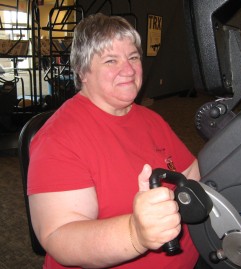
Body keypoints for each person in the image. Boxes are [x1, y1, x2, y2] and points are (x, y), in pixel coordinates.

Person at [28, 13, 201, 269]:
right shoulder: (58, 138)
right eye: (112, 60)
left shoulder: (151, 119)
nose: (129, 70)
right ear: (83, 71)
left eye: (133, 57)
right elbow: (59, 236)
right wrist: (135, 233)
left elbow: (194, 177)